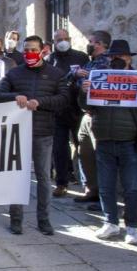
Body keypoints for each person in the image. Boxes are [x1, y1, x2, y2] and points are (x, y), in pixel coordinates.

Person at [79, 39, 137, 245]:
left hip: (130, 142)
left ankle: (132, 227)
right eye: (112, 57)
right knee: (106, 186)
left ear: (128, 58)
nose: (115, 60)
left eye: (120, 57)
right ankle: (110, 222)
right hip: (104, 140)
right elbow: (84, 105)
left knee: (132, 187)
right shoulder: (100, 78)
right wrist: (84, 90)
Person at [0, 35, 70, 236]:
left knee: (44, 178)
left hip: (43, 132)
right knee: (17, 177)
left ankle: (44, 220)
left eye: (33, 50)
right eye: (26, 49)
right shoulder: (14, 73)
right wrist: (15, 97)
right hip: (18, 134)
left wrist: (40, 102)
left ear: (43, 50)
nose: (29, 53)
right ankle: (16, 220)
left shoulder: (56, 74)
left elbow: (64, 99)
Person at [72, 29, 112, 208]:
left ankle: (104, 197)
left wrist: (84, 78)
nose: (89, 44)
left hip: (100, 115)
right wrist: (77, 75)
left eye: (92, 41)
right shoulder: (90, 63)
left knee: (100, 157)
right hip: (86, 113)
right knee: (85, 153)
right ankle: (91, 190)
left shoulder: (107, 63)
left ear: (101, 44)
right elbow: (71, 78)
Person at [47, 28, 89, 196]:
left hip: (78, 109)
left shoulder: (81, 57)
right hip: (58, 111)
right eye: (59, 39)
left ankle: (87, 184)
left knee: (84, 148)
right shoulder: (50, 60)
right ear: (54, 41)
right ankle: (61, 183)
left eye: (65, 38)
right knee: (59, 149)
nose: (63, 41)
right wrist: (72, 74)